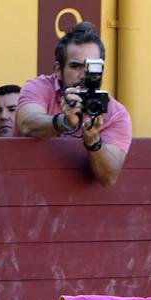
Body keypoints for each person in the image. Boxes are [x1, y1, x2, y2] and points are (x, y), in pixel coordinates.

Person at [15, 21, 133, 187]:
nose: (84, 75)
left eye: (92, 67)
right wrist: (64, 121)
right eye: (76, 66)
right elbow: (28, 124)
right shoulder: (40, 87)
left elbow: (109, 178)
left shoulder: (115, 113)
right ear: (58, 70)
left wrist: (93, 141)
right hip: (25, 191)